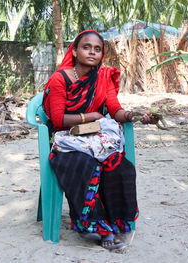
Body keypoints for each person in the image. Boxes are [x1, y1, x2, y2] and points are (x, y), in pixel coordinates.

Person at [42, 29, 156, 250]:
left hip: (96, 139)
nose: (92, 52)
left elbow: (114, 109)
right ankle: (99, 228)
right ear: (74, 51)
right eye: (86, 47)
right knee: (85, 165)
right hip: (67, 141)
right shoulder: (60, 79)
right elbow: (57, 119)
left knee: (119, 166)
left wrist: (135, 116)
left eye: (97, 49)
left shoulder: (104, 77)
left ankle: (115, 222)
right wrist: (91, 116)